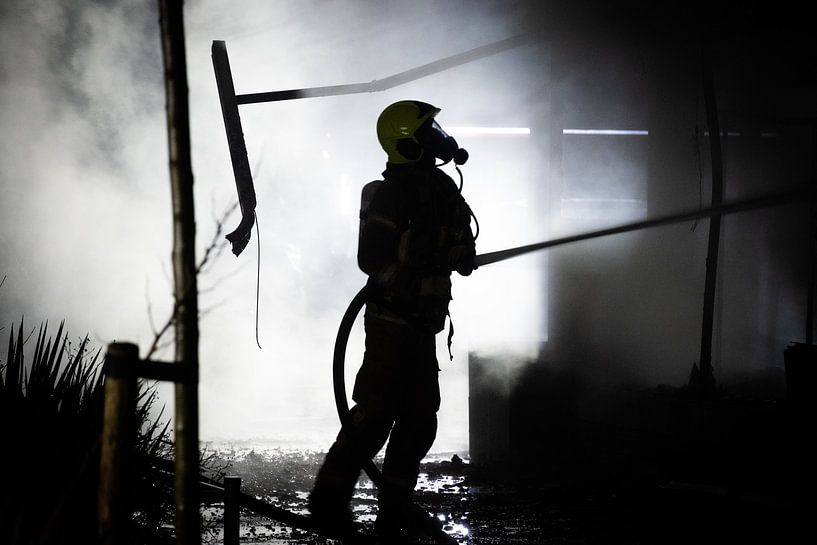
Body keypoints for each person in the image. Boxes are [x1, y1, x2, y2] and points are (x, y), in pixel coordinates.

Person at [308, 100, 476, 542]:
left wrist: (461, 254)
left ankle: (394, 513)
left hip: (424, 326)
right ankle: (327, 503)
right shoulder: (389, 194)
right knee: (375, 416)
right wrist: (425, 266)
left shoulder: (444, 190)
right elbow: (372, 260)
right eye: (428, 131)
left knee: (419, 423)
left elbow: (462, 243)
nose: (438, 138)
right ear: (406, 142)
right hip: (391, 322)